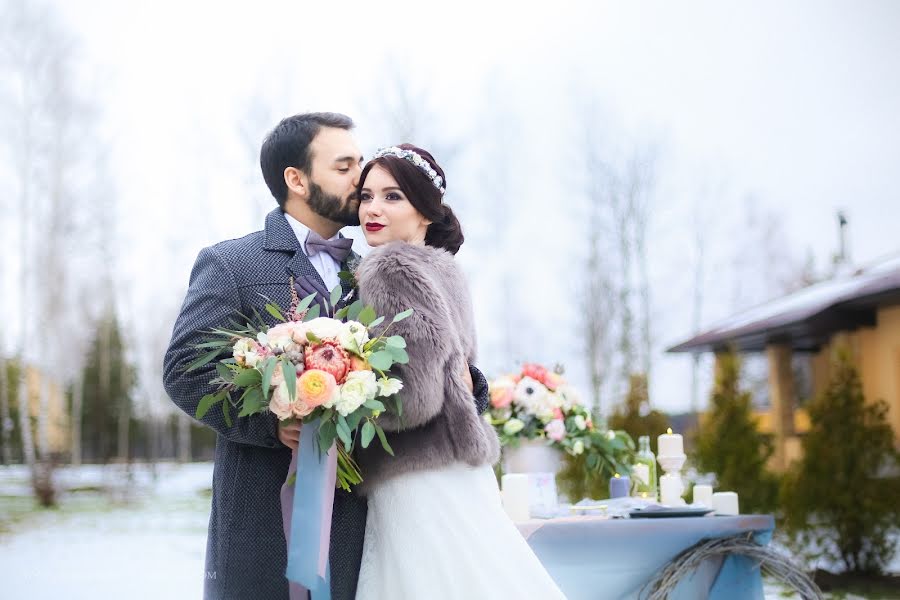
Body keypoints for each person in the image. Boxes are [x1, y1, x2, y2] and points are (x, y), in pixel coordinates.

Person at [163, 114, 490, 600]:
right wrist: (272, 422)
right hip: (264, 523)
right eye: (344, 167)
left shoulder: (373, 268)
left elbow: (419, 363)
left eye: (360, 164)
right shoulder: (232, 263)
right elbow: (185, 367)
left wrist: (470, 383)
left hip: (363, 527)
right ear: (297, 179)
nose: (360, 180)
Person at [352, 144, 567, 599]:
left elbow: (417, 397)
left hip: (415, 472)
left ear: (425, 211)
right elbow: (458, 370)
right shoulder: (446, 268)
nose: (373, 209)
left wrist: (345, 406)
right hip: (460, 465)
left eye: (392, 197)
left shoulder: (387, 269)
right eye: (366, 196)